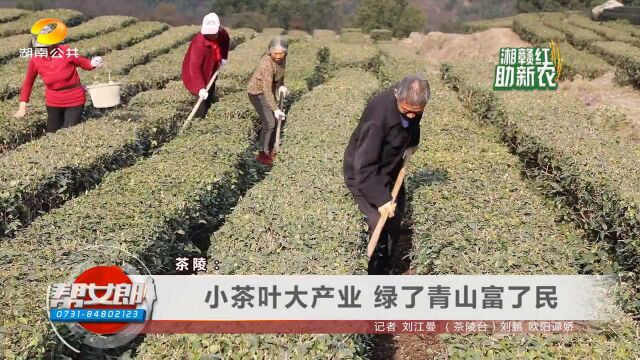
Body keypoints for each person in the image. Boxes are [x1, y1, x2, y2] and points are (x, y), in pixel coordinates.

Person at [343, 75, 430, 275]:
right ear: (397, 96)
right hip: (365, 173)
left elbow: (413, 122)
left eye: (416, 112)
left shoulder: (412, 105)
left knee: (396, 216)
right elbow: (364, 166)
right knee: (376, 220)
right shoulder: (378, 117)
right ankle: (373, 272)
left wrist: (412, 143)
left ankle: (388, 268)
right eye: (406, 111)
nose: (411, 116)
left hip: (391, 167)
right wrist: (381, 199)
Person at [14, 24, 103, 133]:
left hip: (74, 99)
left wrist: (93, 63)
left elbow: (85, 63)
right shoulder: (35, 59)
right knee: (52, 133)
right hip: (53, 102)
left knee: (69, 132)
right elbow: (28, 83)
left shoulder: (66, 51)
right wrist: (22, 107)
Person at [247, 36, 289, 166]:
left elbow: (281, 73)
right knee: (269, 122)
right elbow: (266, 89)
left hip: (268, 91)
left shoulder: (282, 59)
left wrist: (281, 84)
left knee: (275, 121)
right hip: (257, 92)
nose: (278, 56)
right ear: (270, 51)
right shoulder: (266, 64)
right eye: (275, 53)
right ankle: (262, 154)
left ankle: (270, 149)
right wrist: (276, 109)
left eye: (281, 53)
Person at [181, 12, 230, 118]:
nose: (211, 35)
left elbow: (225, 41)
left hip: (211, 68)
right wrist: (200, 88)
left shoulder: (222, 34)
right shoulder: (199, 44)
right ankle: (198, 120)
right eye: (209, 34)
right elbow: (194, 69)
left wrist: (224, 57)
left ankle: (208, 108)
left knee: (210, 93)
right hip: (197, 74)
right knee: (200, 103)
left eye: (213, 33)